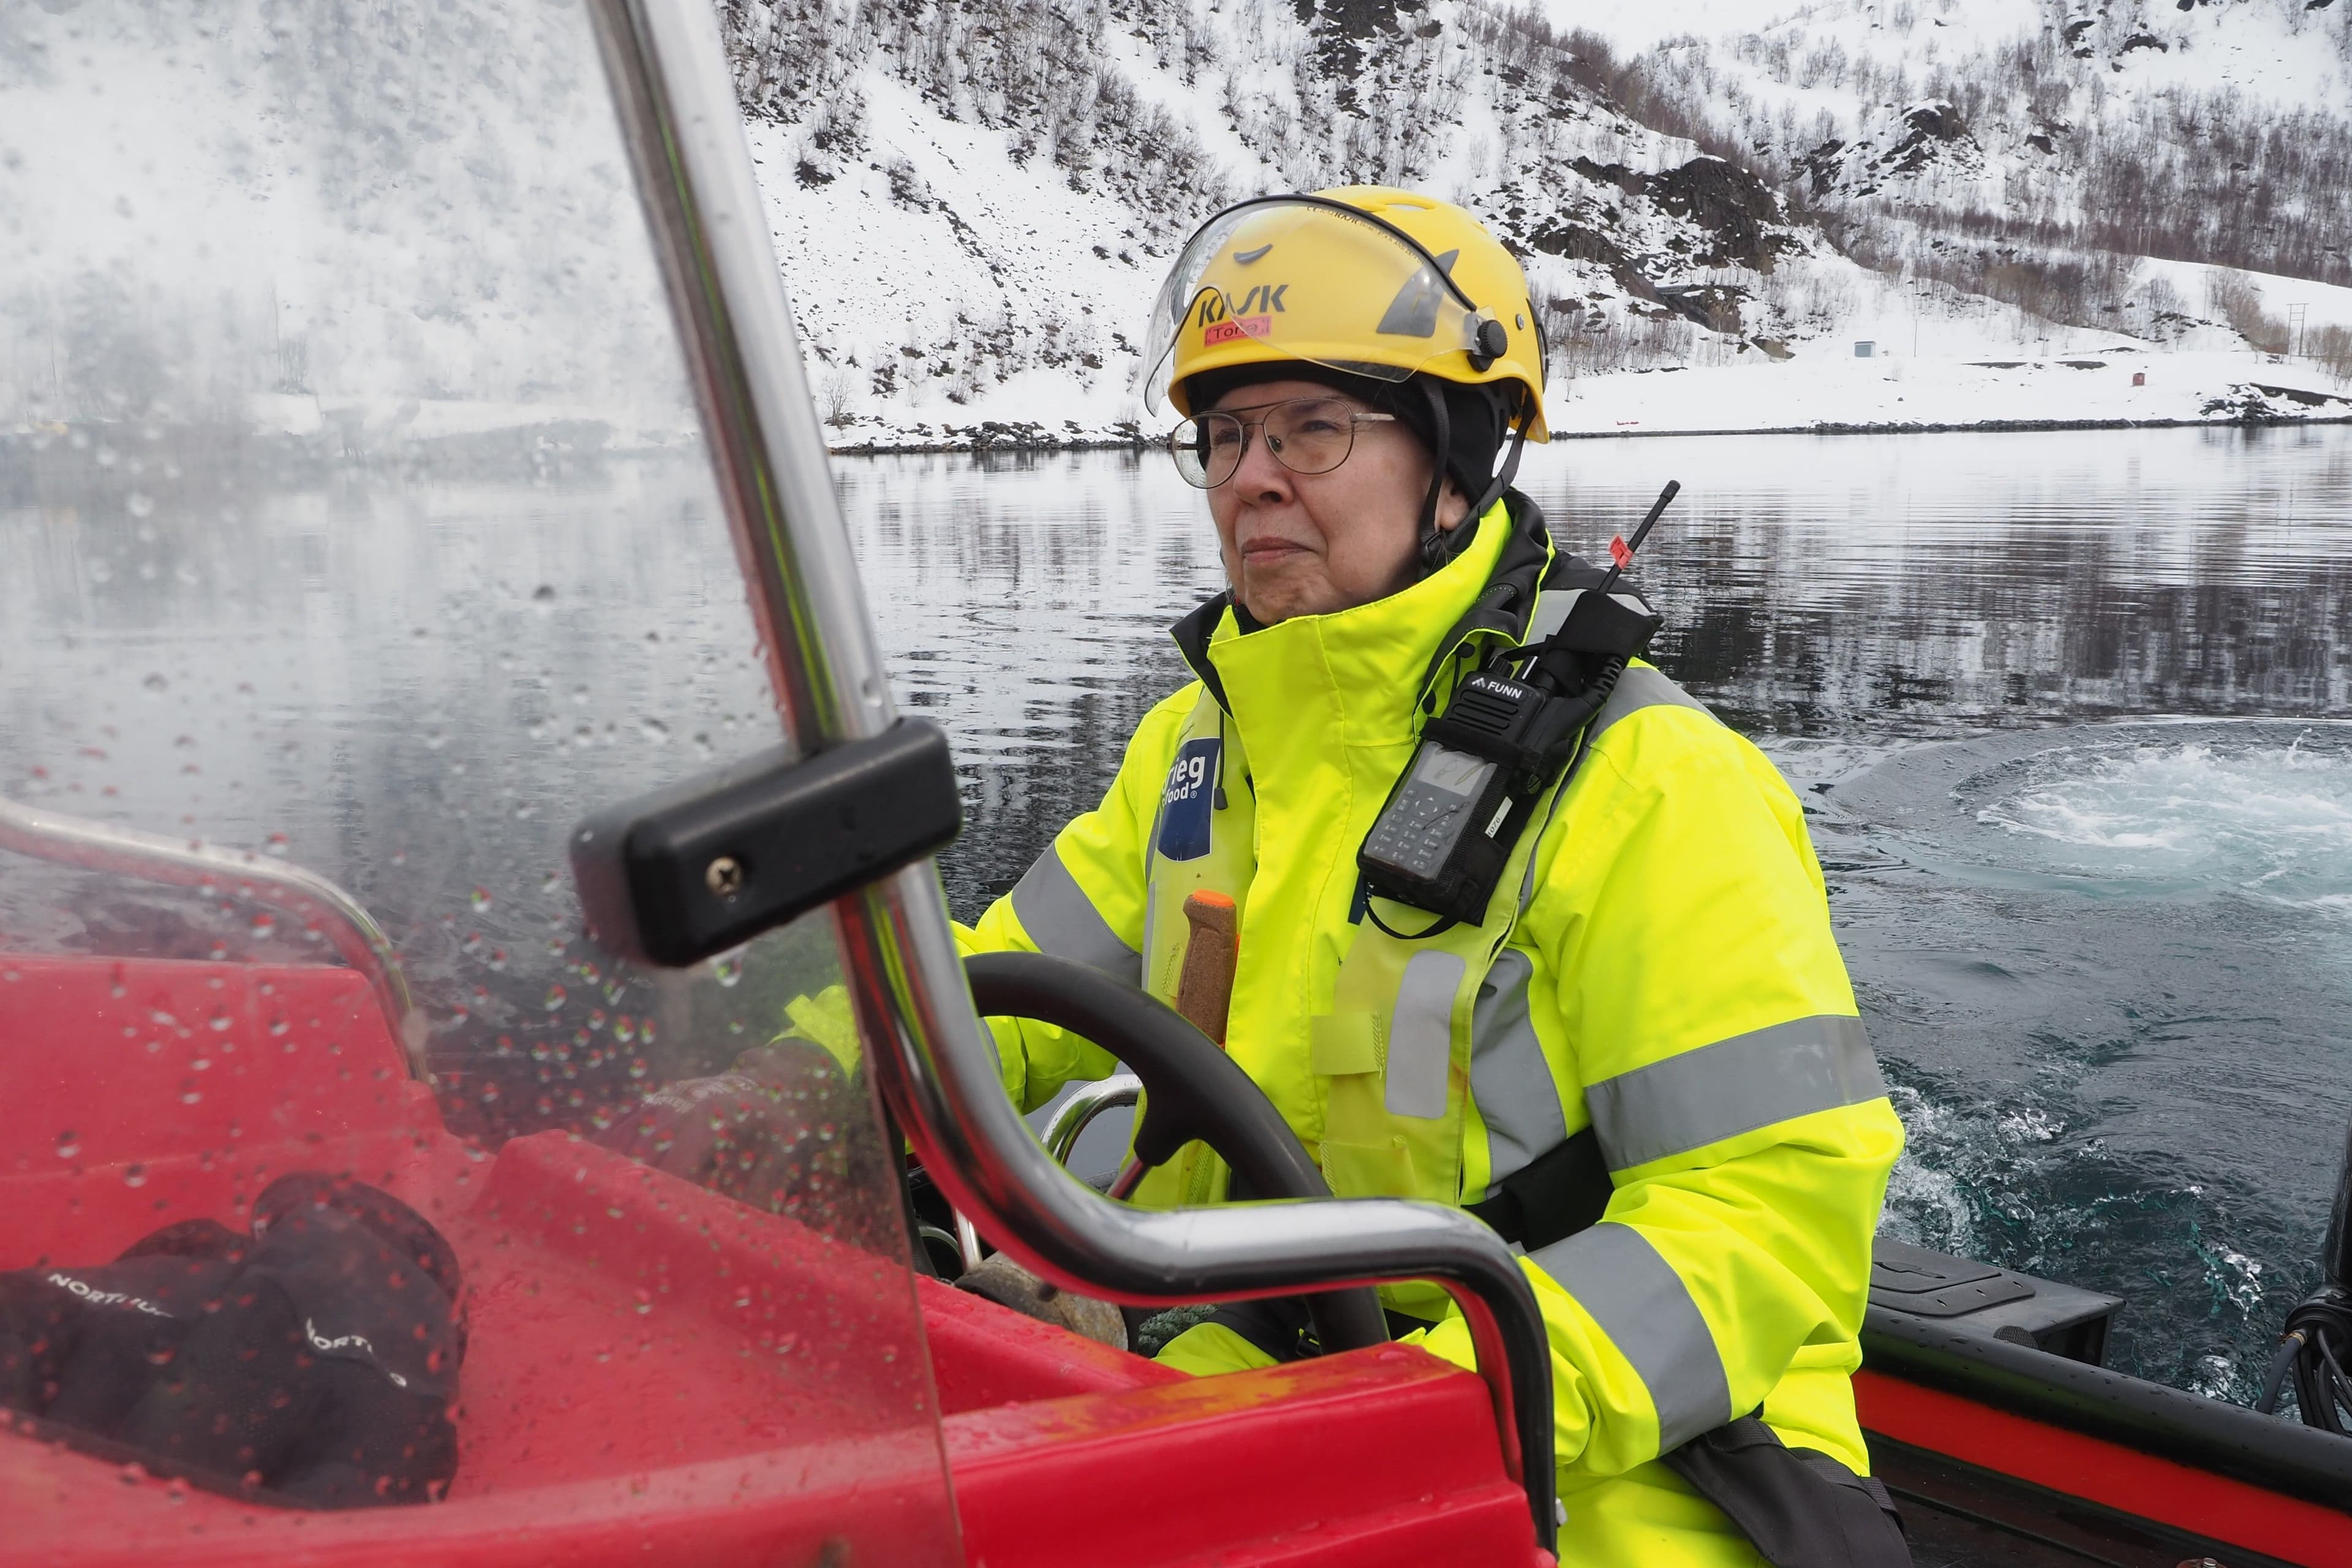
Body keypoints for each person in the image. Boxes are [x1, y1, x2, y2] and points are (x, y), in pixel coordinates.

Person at [955, 187, 1909, 1566]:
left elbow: (1766, 1213)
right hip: (1228, 1384)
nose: (1251, 475)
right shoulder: (1196, 747)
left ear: (1457, 461)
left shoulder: (1653, 780)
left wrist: (1422, 1399)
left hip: (1612, 1458)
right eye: (1224, 434)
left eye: (1314, 427)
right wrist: (781, 1067)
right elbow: (996, 1000)